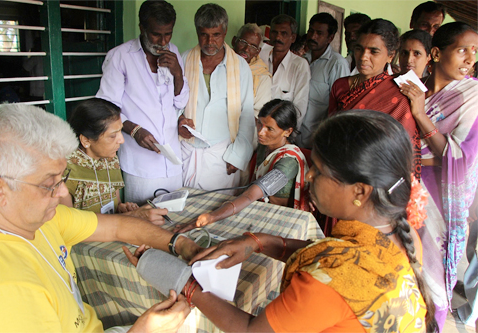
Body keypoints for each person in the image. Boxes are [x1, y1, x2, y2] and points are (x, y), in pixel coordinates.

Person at [128, 110, 438, 332]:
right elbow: (330, 256)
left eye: (318, 170)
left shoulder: (334, 283)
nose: (310, 178)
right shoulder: (400, 234)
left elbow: (251, 330)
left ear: (359, 190)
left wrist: (183, 281)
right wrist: (261, 242)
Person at [0, 104, 200, 332]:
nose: (64, 192)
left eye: (61, 179)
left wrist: (181, 244)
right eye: (48, 184)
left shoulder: (44, 220)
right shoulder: (4, 291)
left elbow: (118, 227)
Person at [398, 22, 478, 330]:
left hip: (441, 195)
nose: (470, 59)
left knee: (432, 271)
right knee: (403, 262)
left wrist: (421, 114)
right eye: (462, 50)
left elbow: (460, 155)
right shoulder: (414, 87)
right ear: (436, 53)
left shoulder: (472, 95)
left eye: (474, 52)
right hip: (403, 186)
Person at [96, 0, 188, 204]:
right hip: (140, 163)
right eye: (156, 34)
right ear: (142, 28)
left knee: (174, 219)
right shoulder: (120, 57)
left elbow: (180, 101)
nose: (163, 41)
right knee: (142, 222)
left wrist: (178, 73)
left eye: (168, 34)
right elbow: (106, 107)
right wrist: (134, 130)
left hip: (172, 160)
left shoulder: (173, 53)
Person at [175, 100, 308, 233]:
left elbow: (251, 195)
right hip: (260, 210)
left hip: (279, 220)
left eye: (269, 129)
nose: (261, 132)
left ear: (287, 131)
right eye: (259, 124)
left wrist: (211, 217)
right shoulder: (264, 148)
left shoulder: (288, 162)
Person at [329, 19, 421, 180]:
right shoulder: (341, 86)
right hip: (338, 169)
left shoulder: (400, 93)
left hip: (376, 176)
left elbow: (402, 148)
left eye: (374, 51)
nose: (364, 57)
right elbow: (329, 131)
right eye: (359, 49)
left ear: (390, 56)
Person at [181, 3, 254, 195]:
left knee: (217, 216)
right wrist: (179, 120)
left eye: (216, 35)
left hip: (222, 155)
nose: (209, 41)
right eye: (204, 34)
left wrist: (237, 156)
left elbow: (246, 114)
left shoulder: (240, 67)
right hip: (186, 152)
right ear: (197, 31)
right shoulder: (184, 61)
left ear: (225, 31)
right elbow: (173, 105)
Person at [59, 98, 166, 223]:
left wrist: (122, 209)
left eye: (120, 131)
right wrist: (131, 217)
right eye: (112, 135)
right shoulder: (65, 172)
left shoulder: (109, 159)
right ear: (86, 140)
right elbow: (69, 227)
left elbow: (115, 204)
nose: (121, 140)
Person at [297, 13, 350, 149]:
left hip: (316, 143)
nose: (313, 36)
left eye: (319, 33)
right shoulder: (302, 60)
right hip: (293, 139)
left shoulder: (337, 64)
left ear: (330, 38)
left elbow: (340, 107)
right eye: (311, 31)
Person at [258, 14, 310, 129]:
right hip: (254, 129)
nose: (278, 38)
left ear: (293, 38)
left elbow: (299, 108)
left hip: (280, 133)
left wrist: (284, 135)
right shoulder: (260, 55)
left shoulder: (300, 65)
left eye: (284, 33)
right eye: (274, 32)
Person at [231, 23, 272, 149]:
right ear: (234, 41)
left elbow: (258, 115)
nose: (246, 49)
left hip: (245, 138)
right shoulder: (221, 64)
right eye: (243, 42)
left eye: (253, 46)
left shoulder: (262, 76)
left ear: (258, 51)